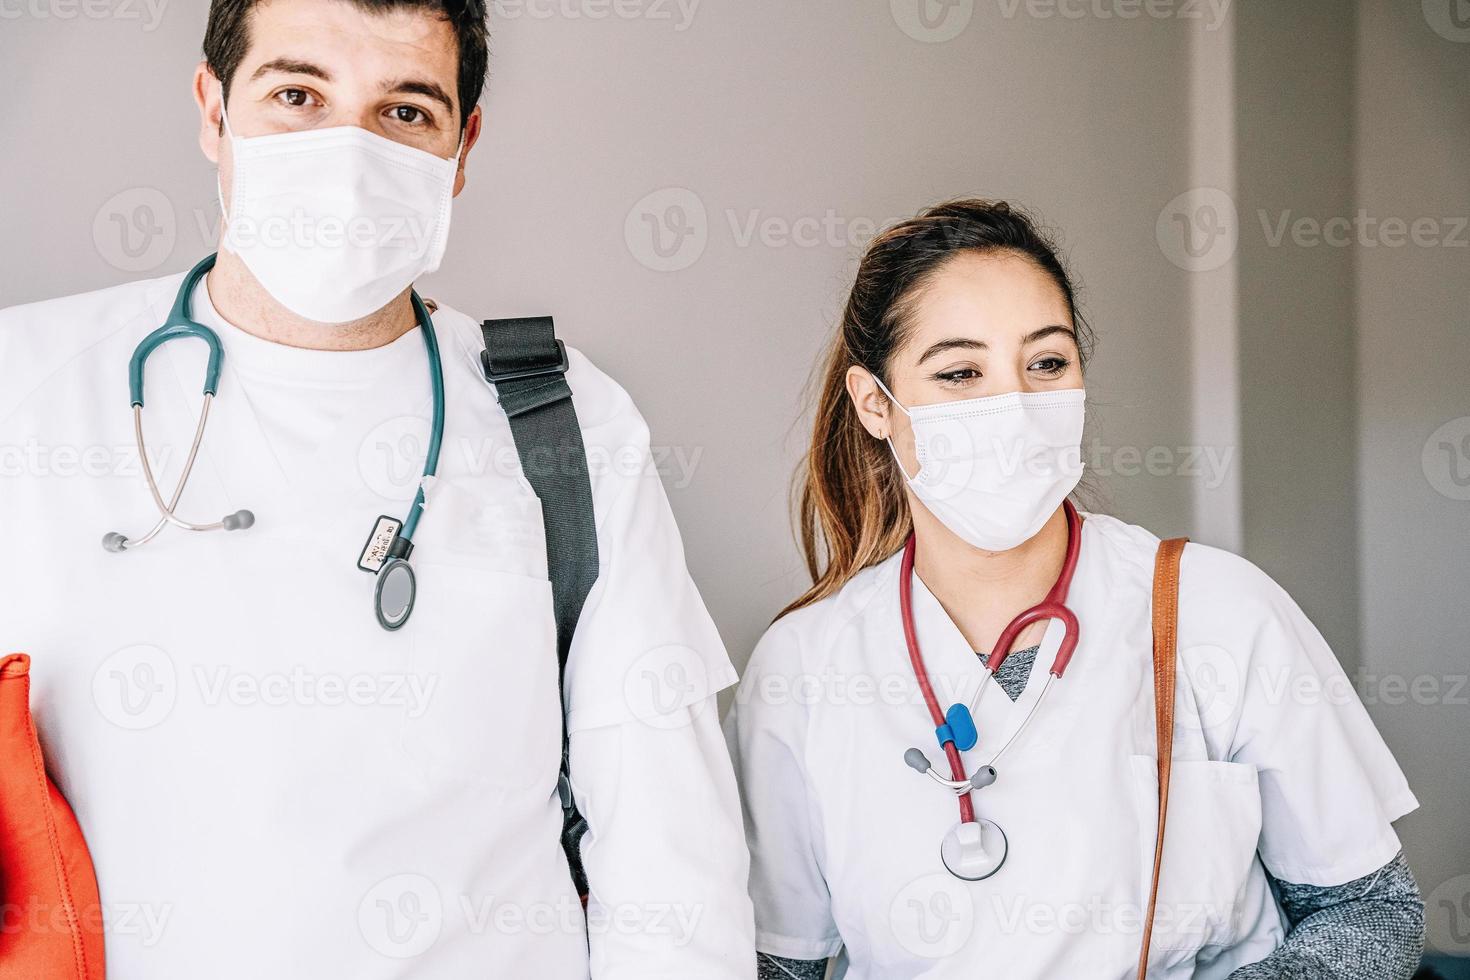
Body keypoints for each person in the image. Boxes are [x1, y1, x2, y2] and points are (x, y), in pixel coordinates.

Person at [0, 0, 753, 975]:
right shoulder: (24, 387)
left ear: (463, 146)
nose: (347, 156)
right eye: (298, 94)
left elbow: (672, 876)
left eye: (405, 112)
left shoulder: (565, 425)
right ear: (212, 108)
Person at [726, 200, 1425, 979]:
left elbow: (1367, 911)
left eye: (1047, 363)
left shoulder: (1215, 610)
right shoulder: (803, 668)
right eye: (961, 373)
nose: (1016, 407)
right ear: (875, 405)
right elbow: (778, 963)